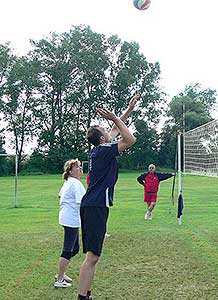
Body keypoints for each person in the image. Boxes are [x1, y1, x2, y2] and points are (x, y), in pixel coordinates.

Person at [77, 95, 138, 300]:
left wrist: (128, 110)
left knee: (94, 256)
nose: (108, 130)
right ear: (102, 139)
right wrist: (114, 117)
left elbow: (116, 128)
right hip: (95, 206)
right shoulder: (103, 150)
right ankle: (81, 296)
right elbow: (129, 139)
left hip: (93, 205)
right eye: (105, 130)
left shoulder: (99, 149)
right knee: (92, 256)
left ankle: (86, 294)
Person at [55, 159, 86, 288]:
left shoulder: (69, 182)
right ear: (70, 171)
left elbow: (60, 196)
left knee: (75, 249)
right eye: (77, 167)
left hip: (68, 218)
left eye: (80, 167)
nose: (80, 169)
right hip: (70, 220)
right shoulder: (75, 184)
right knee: (68, 250)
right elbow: (82, 202)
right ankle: (60, 279)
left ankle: (61, 273)